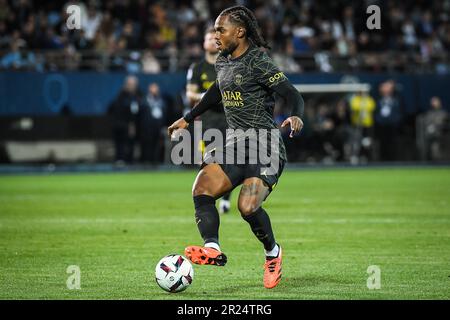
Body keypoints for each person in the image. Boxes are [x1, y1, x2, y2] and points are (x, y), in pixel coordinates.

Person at [168, 6, 304, 289]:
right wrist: (188, 118)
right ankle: (213, 248)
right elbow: (217, 90)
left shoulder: (259, 61)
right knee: (201, 188)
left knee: (247, 206)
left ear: (239, 32)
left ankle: (272, 254)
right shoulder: (223, 60)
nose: (215, 35)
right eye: (215, 30)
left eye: (220, 29)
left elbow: (291, 93)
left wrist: (295, 114)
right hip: (233, 144)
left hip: (265, 145)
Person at [186, 27, 233, 214]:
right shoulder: (197, 68)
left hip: (230, 120)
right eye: (209, 39)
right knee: (206, 162)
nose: (213, 41)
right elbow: (189, 93)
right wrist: (205, 96)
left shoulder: (229, 65)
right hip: (206, 122)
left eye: (216, 38)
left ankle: (226, 199)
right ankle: (209, 196)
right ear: (203, 44)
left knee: (230, 160)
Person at [108, 75, 141, 164]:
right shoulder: (121, 96)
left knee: (130, 147)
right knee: (121, 147)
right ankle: (120, 161)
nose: (132, 86)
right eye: (130, 84)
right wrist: (129, 125)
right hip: (120, 127)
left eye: (133, 84)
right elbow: (115, 111)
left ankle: (129, 162)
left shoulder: (138, 96)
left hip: (132, 127)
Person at [138, 83, 167, 164]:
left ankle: (156, 161)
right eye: (153, 89)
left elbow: (165, 114)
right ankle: (146, 161)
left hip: (158, 128)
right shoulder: (145, 100)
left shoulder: (161, 101)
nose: (155, 91)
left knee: (157, 145)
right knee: (147, 145)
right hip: (147, 128)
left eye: (156, 89)